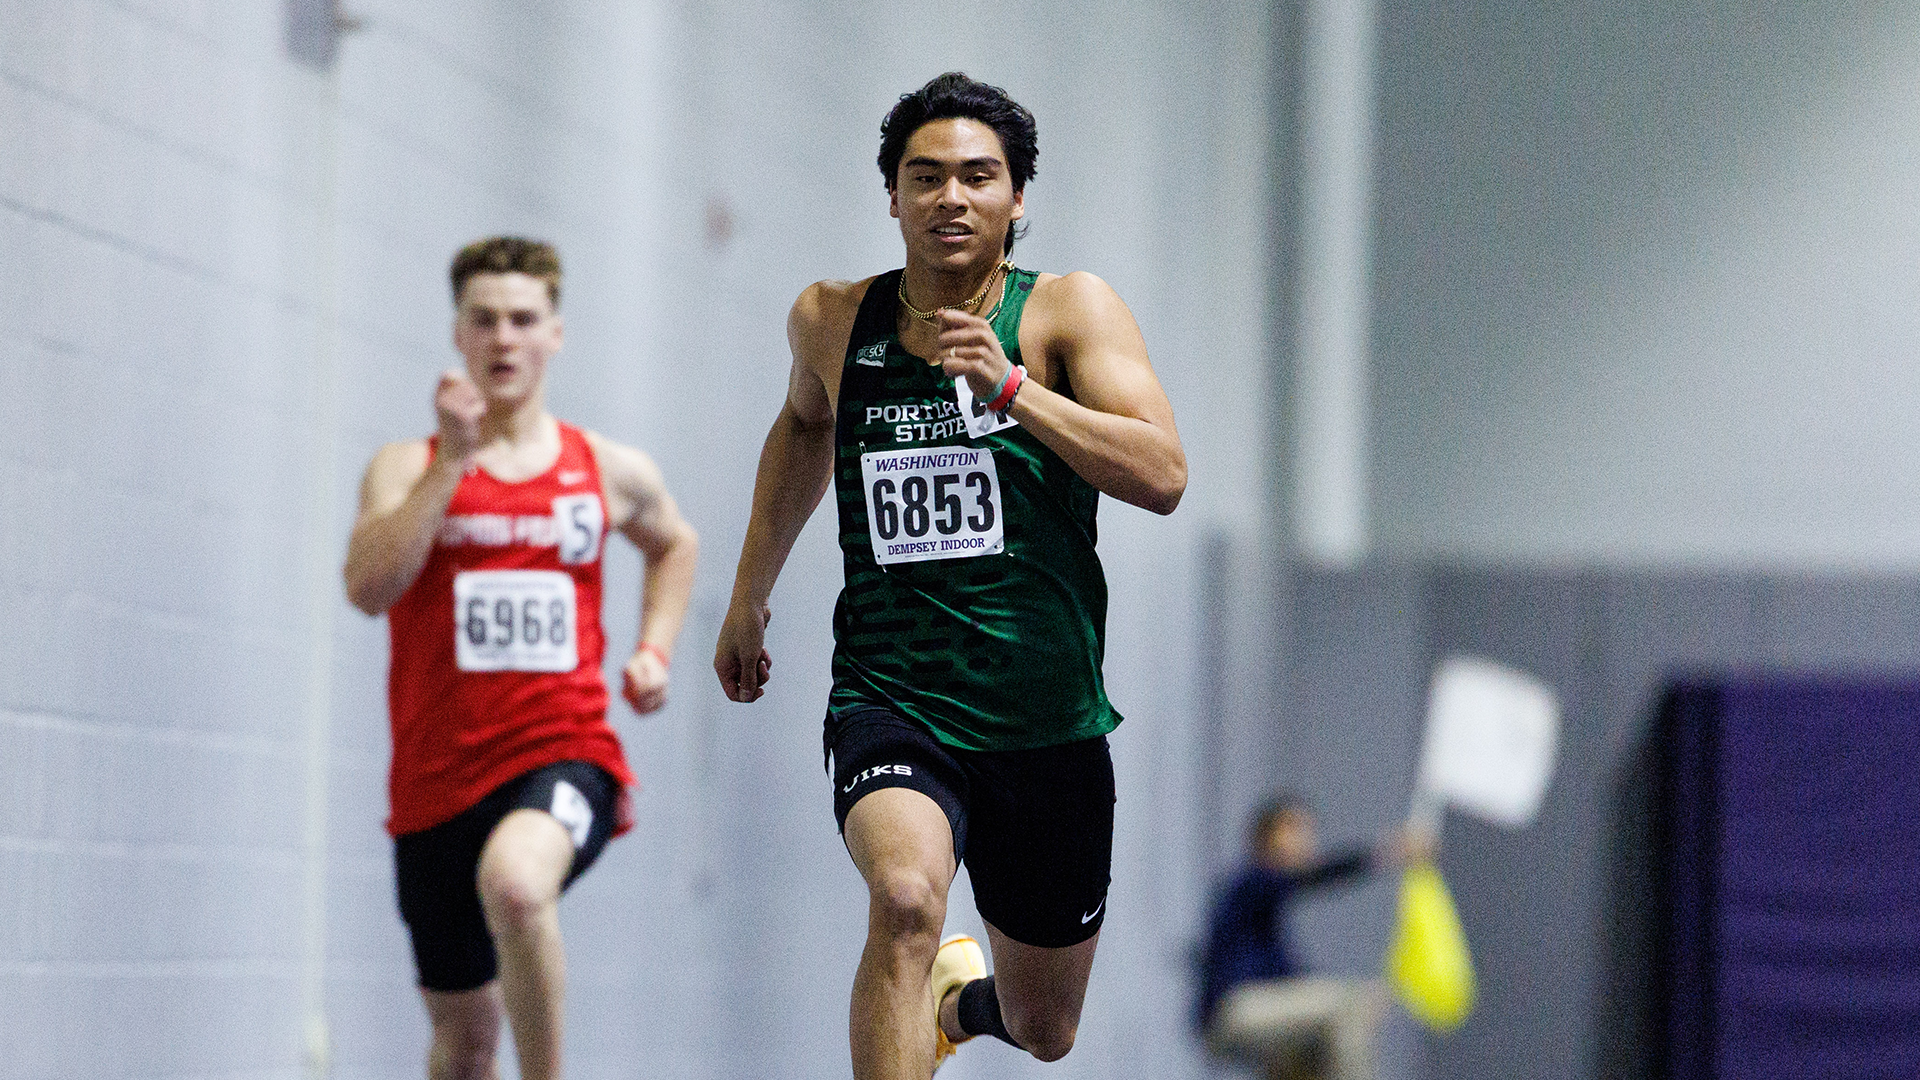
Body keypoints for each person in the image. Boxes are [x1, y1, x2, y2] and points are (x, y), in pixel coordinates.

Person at [713, 72, 1186, 1080]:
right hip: (894, 693)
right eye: (924, 178)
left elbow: (1162, 473)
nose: (951, 198)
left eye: (978, 177)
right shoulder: (834, 320)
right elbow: (805, 424)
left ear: (1018, 196)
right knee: (907, 899)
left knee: (1046, 1027)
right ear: (891, 197)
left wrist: (1011, 387)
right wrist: (751, 591)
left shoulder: (1066, 313)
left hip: (1046, 714)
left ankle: (960, 1009)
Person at [343, 236, 698, 1080]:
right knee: (465, 1049)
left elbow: (674, 544)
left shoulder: (604, 468)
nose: (504, 339)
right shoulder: (407, 467)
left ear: (555, 334)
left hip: (564, 755)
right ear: (458, 335)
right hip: (433, 786)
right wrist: (452, 466)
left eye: (522, 320)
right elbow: (367, 586)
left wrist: (654, 648)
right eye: (485, 320)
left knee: (516, 885)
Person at [1197, 795, 1428, 1080]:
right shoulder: (1251, 881)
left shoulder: (1263, 917)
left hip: (1250, 1011)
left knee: (1313, 1052)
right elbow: (1312, 877)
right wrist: (1390, 852)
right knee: (1348, 1004)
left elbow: (1295, 986)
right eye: (1296, 829)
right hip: (1234, 1011)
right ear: (1268, 835)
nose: (1307, 839)